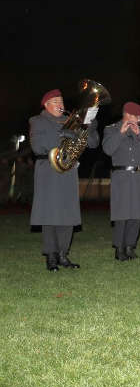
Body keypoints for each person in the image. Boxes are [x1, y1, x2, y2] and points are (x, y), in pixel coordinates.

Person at [29, 89, 99, 271]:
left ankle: (63, 254)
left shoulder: (73, 122)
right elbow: (37, 146)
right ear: (46, 105)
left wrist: (89, 126)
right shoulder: (37, 121)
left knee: (68, 214)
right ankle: (51, 256)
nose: (60, 105)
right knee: (50, 214)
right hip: (48, 170)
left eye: (61, 101)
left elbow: (93, 144)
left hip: (68, 171)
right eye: (55, 102)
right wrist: (62, 134)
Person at [102, 101, 140, 261]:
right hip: (121, 176)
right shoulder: (111, 129)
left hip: (139, 176)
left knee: (137, 214)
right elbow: (107, 149)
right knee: (122, 214)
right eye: (135, 116)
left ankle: (130, 247)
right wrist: (121, 132)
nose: (138, 120)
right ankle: (119, 248)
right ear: (126, 114)